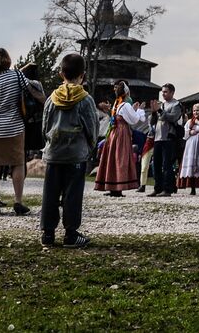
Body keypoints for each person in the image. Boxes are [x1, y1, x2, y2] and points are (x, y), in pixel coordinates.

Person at [40, 52, 98, 248]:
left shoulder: (51, 99)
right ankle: (71, 234)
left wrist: (49, 144)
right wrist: (90, 147)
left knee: (50, 193)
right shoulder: (85, 99)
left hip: (54, 153)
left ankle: (47, 233)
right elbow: (92, 127)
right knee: (72, 195)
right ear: (82, 75)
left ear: (60, 74)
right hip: (75, 154)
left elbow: (45, 126)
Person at [0, 47, 45, 216]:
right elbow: (31, 90)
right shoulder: (16, 75)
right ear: (8, 60)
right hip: (14, 126)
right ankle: (18, 201)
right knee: (17, 163)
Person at [95, 80, 144, 196]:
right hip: (121, 132)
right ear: (127, 92)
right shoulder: (125, 104)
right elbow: (134, 120)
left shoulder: (117, 103)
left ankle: (113, 187)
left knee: (113, 157)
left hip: (113, 132)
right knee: (120, 157)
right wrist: (139, 111)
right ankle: (118, 187)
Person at [149, 83, 184, 197]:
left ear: (172, 92)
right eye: (162, 92)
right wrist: (154, 112)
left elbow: (172, 118)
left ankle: (167, 189)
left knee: (167, 165)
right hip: (158, 137)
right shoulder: (161, 105)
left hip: (169, 138)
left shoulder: (177, 105)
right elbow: (152, 122)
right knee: (156, 164)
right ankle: (158, 188)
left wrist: (159, 111)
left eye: (165, 92)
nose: (163, 94)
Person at [179, 104, 199, 194]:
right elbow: (184, 134)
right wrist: (190, 131)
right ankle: (193, 189)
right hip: (191, 145)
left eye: (197, 110)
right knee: (192, 163)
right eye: (194, 111)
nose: (195, 112)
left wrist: (198, 124)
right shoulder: (189, 121)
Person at [20, 62, 46, 158]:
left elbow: (17, 73)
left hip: (23, 121)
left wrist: (24, 68)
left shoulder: (22, 83)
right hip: (36, 121)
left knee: (21, 152)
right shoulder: (38, 84)